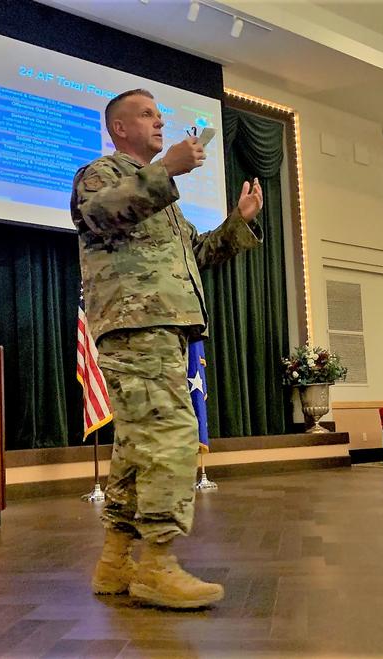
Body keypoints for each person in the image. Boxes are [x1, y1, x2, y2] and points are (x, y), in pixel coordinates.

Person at [70, 89, 263, 608]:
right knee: (172, 435)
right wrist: (169, 172)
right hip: (135, 324)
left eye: (161, 115)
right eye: (148, 115)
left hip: (162, 328)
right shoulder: (101, 174)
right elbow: (101, 214)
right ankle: (157, 565)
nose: (160, 122)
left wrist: (239, 222)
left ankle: (114, 562)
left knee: (138, 445)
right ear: (120, 129)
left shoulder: (167, 203)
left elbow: (199, 253)